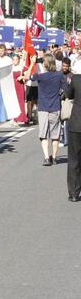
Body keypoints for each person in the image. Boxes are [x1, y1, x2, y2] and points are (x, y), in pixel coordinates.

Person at [25, 54, 66, 166]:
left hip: (43, 108)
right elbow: (66, 89)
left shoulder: (41, 76)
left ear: (45, 64)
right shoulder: (59, 75)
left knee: (43, 134)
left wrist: (32, 63)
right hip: (55, 107)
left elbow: (27, 76)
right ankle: (55, 157)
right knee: (55, 134)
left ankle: (47, 157)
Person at [63, 61, 81, 201]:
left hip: (76, 123)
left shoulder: (75, 79)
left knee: (74, 158)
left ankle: (74, 193)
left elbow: (68, 94)